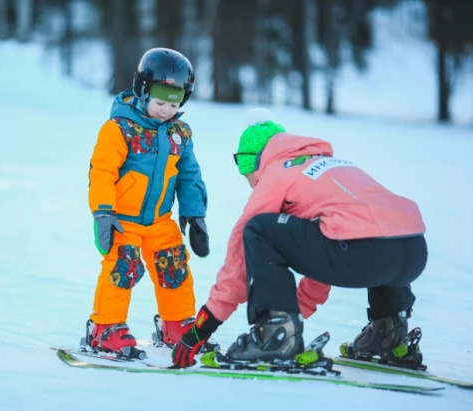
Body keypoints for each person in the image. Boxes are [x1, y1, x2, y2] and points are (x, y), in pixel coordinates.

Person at [171, 108, 428, 368]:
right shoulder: (333, 167)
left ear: (252, 160)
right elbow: (322, 254)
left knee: (258, 228)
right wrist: (297, 312)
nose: (247, 179)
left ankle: (275, 335)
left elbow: (241, 249)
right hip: (413, 253)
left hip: (357, 252)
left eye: (242, 165)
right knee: (374, 226)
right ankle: (389, 331)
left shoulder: (278, 171)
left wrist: (205, 325)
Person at [86, 47, 210, 355]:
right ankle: (105, 328)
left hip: (159, 221)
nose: (167, 109)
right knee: (122, 268)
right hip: (122, 220)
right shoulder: (119, 129)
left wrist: (195, 215)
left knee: (175, 268)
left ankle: (177, 324)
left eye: (174, 102)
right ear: (142, 89)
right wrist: (102, 213)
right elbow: (101, 171)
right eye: (159, 101)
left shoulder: (179, 133)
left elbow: (189, 175)